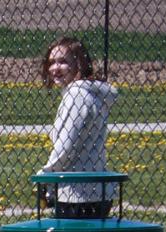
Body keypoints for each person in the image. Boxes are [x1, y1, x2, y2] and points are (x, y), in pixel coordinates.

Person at [39, 37, 118, 219]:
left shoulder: (77, 96)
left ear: (79, 64)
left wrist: (44, 177)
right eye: (52, 62)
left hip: (77, 194)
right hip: (96, 189)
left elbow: (66, 148)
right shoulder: (89, 93)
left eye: (63, 62)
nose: (55, 68)